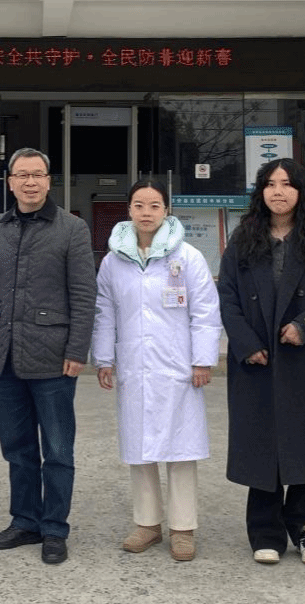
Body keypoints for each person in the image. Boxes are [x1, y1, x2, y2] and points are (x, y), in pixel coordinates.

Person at [216, 158, 305, 567]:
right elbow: (227, 296)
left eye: (287, 184)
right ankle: (266, 532)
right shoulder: (243, 238)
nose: (278, 191)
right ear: (260, 192)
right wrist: (245, 343)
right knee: (262, 446)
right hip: (256, 358)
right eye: (271, 184)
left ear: (300, 192)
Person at [91, 180, 221, 563]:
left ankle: (183, 528)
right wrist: (104, 358)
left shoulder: (188, 257)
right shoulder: (113, 261)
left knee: (181, 448)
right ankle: (147, 524)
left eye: (154, 205)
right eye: (138, 205)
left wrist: (202, 360)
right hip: (135, 365)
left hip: (178, 365)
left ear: (166, 210)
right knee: (140, 446)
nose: (146, 212)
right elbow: (104, 311)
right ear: (129, 210)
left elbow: (205, 312)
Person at [0, 147, 97, 565]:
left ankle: (54, 528)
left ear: (49, 181)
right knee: (17, 447)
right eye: (22, 175)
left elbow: (83, 294)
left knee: (58, 449)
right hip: (6, 353)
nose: (30, 182)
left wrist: (77, 349)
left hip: (54, 356)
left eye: (37, 175)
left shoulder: (72, 228)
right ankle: (25, 521)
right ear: (10, 182)